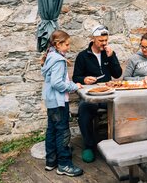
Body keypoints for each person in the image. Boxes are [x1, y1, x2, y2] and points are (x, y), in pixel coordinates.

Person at [73, 25, 122, 163]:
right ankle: (89, 146)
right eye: (101, 40)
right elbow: (76, 77)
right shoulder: (83, 56)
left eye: (106, 40)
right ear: (93, 39)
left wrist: (111, 57)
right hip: (91, 95)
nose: (104, 43)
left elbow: (117, 74)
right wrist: (84, 79)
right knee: (85, 108)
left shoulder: (109, 53)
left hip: (108, 94)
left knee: (124, 105)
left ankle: (120, 142)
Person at [41, 30, 83, 177]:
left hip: (51, 101)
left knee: (52, 130)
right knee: (63, 132)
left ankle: (51, 161)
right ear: (58, 44)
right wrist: (74, 86)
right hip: (59, 102)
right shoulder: (58, 60)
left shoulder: (51, 56)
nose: (68, 47)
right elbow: (57, 83)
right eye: (67, 44)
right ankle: (64, 164)